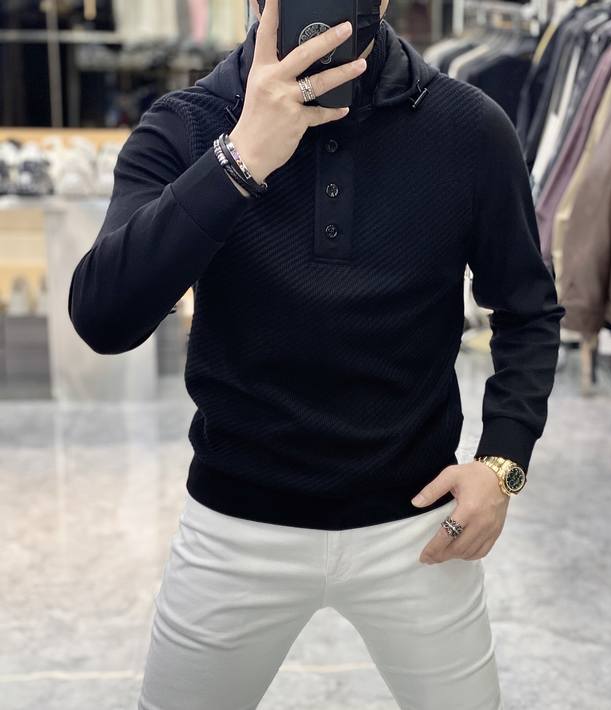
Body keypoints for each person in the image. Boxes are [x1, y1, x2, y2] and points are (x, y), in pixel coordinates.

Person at [68, 0, 566, 707]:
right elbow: (103, 319)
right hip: (235, 527)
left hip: (419, 526)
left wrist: (502, 464)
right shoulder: (187, 125)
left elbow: (527, 308)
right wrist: (239, 160)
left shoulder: (468, 126)